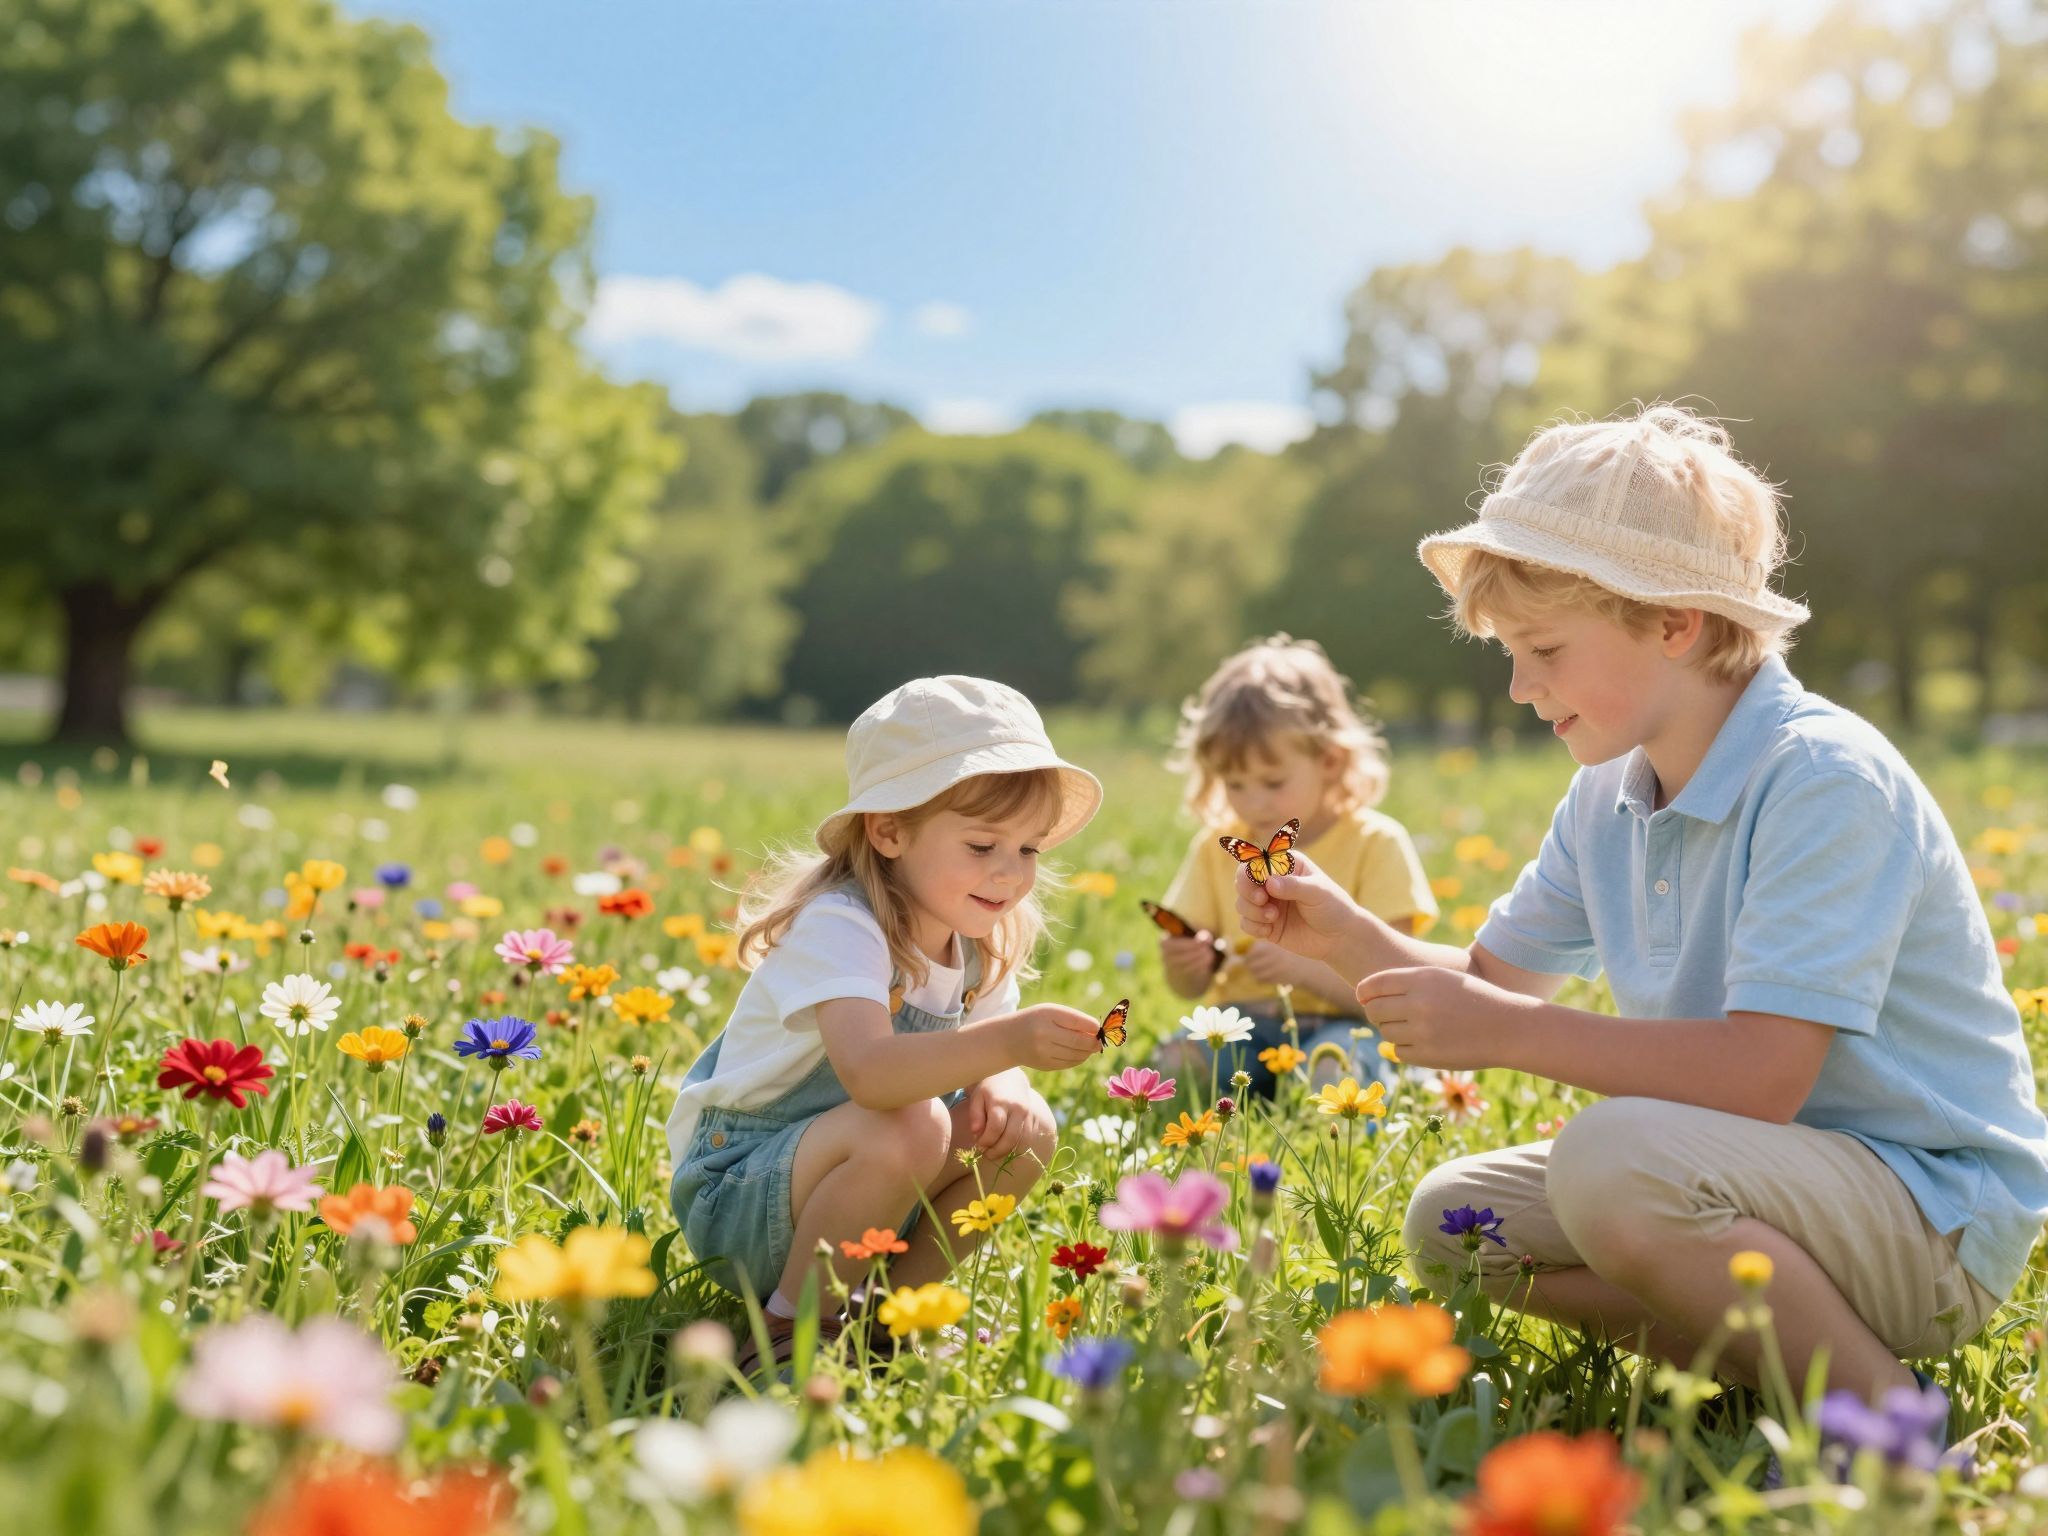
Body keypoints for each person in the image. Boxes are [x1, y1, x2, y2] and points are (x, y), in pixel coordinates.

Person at [1238, 404, 2048, 1402]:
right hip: (1756, 1187)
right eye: (1508, 653)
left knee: (1608, 1159)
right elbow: (1490, 985)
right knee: (1453, 1226)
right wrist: (1347, 936)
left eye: (1544, 649)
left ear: (1673, 621)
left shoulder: (1821, 778)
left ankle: (1884, 1421)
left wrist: (1506, 1031)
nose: (1519, 687)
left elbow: (1758, 1080)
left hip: (1927, 1221)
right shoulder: (1607, 790)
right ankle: (1782, 1363)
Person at [668, 675, 1105, 1371]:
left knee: (1027, 1133)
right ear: (891, 830)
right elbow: (871, 1074)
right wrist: (1012, 1041)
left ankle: (886, 1315)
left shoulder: (978, 936)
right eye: (983, 845)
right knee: (911, 1120)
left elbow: (995, 1062)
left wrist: (1010, 1082)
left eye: (1028, 850)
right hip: (742, 1196)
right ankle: (788, 1330)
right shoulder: (842, 925)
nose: (1010, 875)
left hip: (868, 1182)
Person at [1156, 634, 1434, 1097]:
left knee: (1336, 1067)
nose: (1254, 802)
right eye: (1235, 783)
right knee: (1177, 1064)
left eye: (1272, 781)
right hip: (1242, 1024)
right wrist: (1186, 965)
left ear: (1329, 760)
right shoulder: (1216, 847)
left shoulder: (1376, 843)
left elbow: (1398, 990)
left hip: (1345, 1024)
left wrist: (1302, 969)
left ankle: (1337, 1097)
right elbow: (1186, 986)